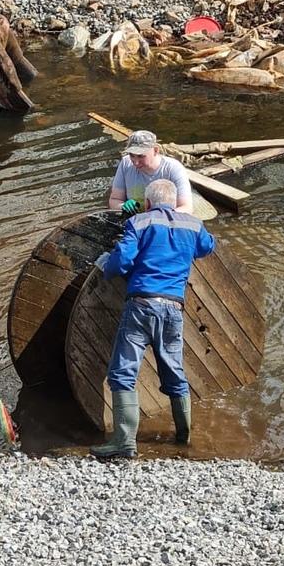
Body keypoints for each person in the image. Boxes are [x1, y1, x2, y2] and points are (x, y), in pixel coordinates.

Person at [91, 179, 215, 459]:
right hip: (173, 309)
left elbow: (122, 259)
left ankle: (124, 443)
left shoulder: (140, 223)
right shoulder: (193, 225)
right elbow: (208, 247)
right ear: (173, 202)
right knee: (174, 371)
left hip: (141, 306)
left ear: (147, 203)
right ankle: (184, 438)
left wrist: (107, 267)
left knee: (123, 372)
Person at [109, 129, 193, 215]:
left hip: (165, 222)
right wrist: (122, 206)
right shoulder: (126, 163)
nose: (136, 162)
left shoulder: (173, 169)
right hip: (135, 221)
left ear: (156, 150)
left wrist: (158, 216)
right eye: (132, 155)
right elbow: (114, 200)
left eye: (141, 156)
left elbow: (186, 207)